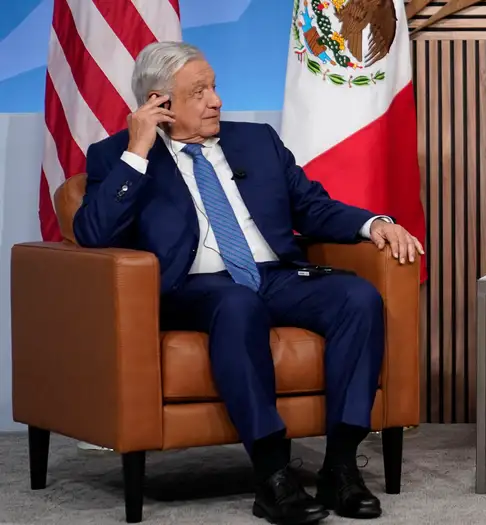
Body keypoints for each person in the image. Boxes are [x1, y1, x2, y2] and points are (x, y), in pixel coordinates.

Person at [73, 42, 423, 525]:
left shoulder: (256, 141)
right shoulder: (116, 156)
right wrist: (137, 151)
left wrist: (374, 224)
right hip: (193, 289)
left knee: (357, 297)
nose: (216, 100)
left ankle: (340, 467)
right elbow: (93, 234)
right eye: (199, 92)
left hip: (274, 275)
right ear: (160, 103)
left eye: (214, 87)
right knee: (238, 304)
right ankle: (273, 475)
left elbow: (312, 207)